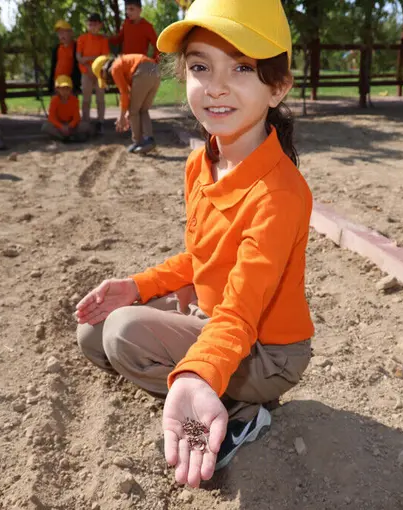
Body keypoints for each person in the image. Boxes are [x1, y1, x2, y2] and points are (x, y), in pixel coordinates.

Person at [75, 0, 312, 489]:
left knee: (122, 334)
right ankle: (204, 385)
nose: (216, 85)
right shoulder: (200, 163)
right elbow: (202, 255)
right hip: (217, 319)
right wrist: (136, 286)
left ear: (277, 87)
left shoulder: (281, 193)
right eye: (201, 66)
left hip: (267, 351)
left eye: (242, 67)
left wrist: (197, 374)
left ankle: (241, 411)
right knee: (94, 331)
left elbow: (244, 309)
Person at [91, 53, 159, 154]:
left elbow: (124, 93)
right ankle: (149, 140)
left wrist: (122, 117)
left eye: (102, 76)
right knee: (142, 110)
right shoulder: (122, 63)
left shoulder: (115, 68)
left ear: (103, 69)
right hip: (155, 72)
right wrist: (126, 112)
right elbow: (130, 92)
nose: (105, 79)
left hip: (142, 72)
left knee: (134, 111)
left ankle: (138, 142)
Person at [76, 13, 110, 135]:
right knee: (86, 99)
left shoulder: (103, 39)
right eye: (90, 24)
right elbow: (79, 57)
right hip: (85, 73)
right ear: (87, 25)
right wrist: (92, 59)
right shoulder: (82, 39)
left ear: (100, 25)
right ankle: (86, 122)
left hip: (100, 73)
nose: (92, 27)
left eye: (95, 24)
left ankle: (100, 122)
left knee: (100, 99)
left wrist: (89, 60)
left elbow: (105, 58)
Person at [42, 75, 86, 142]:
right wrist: (61, 126)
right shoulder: (54, 100)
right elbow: (51, 117)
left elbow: (77, 117)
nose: (65, 91)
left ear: (70, 89)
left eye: (67, 88)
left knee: (85, 126)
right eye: (62, 88)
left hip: (70, 125)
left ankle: (67, 137)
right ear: (57, 89)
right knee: (46, 127)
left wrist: (70, 126)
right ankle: (66, 138)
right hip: (58, 125)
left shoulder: (74, 100)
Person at [48, 20, 81, 96]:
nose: (61, 35)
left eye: (64, 32)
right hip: (57, 85)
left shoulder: (77, 47)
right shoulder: (56, 48)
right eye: (59, 33)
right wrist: (50, 85)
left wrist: (76, 85)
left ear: (71, 33)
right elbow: (53, 67)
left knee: (70, 106)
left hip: (70, 86)